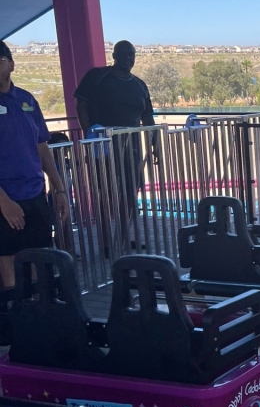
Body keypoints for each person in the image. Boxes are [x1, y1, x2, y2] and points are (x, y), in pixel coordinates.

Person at [0, 41, 69, 288]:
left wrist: (59, 189)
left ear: (11, 65)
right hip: (5, 198)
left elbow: (42, 147)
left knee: (39, 258)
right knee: (9, 262)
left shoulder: (27, 100)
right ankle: (14, 309)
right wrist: (4, 202)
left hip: (35, 194)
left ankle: (40, 307)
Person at [74, 40, 155, 251]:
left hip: (132, 147)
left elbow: (148, 117)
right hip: (104, 147)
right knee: (106, 194)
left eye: (131, 54)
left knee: (131, 193)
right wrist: (90, 135)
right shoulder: (97, 77)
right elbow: (81, 105)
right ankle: (106, 242)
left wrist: (155, 144)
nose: (128, 58)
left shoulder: (139, 85)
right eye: (124, 53)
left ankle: (122, 237)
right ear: (114, 55)